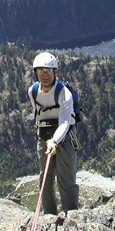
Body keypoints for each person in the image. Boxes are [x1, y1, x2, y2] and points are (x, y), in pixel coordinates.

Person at [28, 52, 79, 215]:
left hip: (64, 139)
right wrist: (45, 139)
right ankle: (49, 216)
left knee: (66, 181)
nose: (45, 75)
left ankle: (71, 216)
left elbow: (65, 122)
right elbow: (38, 115)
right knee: (45, 180)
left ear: (55, 72)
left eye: (48, 71)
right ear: (35, 73)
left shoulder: (64, 93)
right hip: (44, 138)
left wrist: (54, 141)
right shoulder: (33, 91)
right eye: (41, 71)